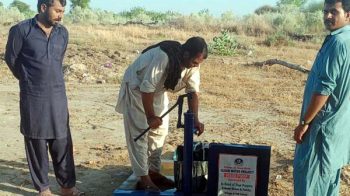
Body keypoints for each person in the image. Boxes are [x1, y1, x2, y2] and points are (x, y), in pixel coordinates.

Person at [5, 0, 83, 195]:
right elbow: (11, 59)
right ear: (42, 8)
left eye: (63, 11)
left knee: (62, 141)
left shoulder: (62, 33)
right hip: (33, 96)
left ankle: (67, 187)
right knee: (36, 141)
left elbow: (57, 60)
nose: (60, 15)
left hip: (58, 95)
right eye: (57, 10)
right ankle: (43, 189)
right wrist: (29, 80)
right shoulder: (21, 30)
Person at [116, 36, 208, 191]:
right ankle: (143, 178)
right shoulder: (163, 56)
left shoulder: (193, 66)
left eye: (198, 64)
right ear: (186, 54)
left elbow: (193, 92)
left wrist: (196, 120)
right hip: (137, 89)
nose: (195, 66)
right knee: (139, 134)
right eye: (194, 62)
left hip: (157, 92)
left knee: (160, 132)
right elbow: (147, 87)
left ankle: (153, 173)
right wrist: (150, 116)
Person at [293, 0, 350, 195]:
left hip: (321, 131)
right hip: (337, 133)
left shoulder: (338, 42)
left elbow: (324, 89)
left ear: (348, 15)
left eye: (334, 12)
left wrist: (304, 122)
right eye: (325, 11)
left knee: (309, 183)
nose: (327, 16)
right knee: (327, 187)